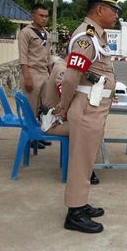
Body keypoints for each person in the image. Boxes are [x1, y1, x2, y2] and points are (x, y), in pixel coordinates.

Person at [57, 0, 121, 233]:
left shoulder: (96, 36)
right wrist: (64, 107)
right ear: (100, 10)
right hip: (86, 108)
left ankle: (80, 203)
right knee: (80, 162)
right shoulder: (85, 36)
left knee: (85, 161)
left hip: (94, 107)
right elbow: (72, 77)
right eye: (113, 10)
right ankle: (74, 213)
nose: (116, 15)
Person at [43, 56, 100, 185]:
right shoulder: (63, 70)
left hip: (56, 119)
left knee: (90, 126)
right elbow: (65, 94)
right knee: (88, 129)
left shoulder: (62, 66)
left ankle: (87, 166)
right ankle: (85, 170)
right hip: (53, 123)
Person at [18, 3, 53, 149]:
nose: (44, 19)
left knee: (43, 109)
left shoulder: (47, 34)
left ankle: (39, 135)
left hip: (44, 74)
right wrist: (27, 77)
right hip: (31, 73)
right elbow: (23, 56)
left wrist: (52, 76)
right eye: (41, 15)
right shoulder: (26, 33)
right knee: (31, 109)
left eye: (46, 16)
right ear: (33, 15)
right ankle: (30, 139)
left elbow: (49, 57)